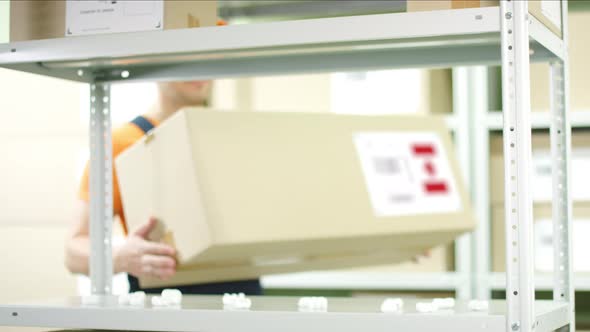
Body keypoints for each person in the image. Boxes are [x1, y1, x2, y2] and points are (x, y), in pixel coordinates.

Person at [65, 80, 263, 295]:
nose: (199, 73)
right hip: (164, 305)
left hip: (243, 300)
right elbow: (73, 252)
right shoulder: (121, 143)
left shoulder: (232, 137)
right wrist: (121, 258)